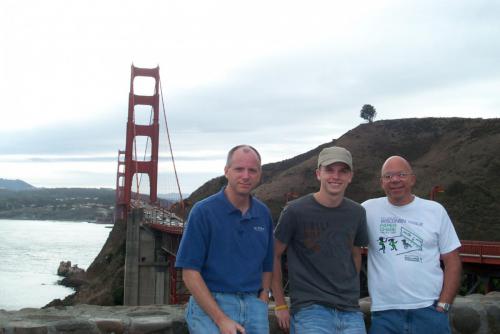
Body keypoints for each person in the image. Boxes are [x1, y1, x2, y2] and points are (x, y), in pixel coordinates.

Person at [175, 145, 274, 334]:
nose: (246, 175)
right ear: (226, 171)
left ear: (259, 174)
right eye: (239, 169)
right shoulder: (203, 212)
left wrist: (263, 297)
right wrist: (221, 319)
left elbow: (267, 265)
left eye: (252, 170)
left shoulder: (263, 214)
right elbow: (189, 272)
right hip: (212, 303)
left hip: (253, 303)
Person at [272, 146, 369, 334]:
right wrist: (280, 305)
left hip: (350, 310)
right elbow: (273, 255)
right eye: (329, 170)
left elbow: (355, 255)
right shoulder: (295, 211)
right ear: (318, 174)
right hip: (310, 310)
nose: (336, 176)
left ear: (350, 176)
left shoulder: (357, 213)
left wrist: (348, 292)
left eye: (343, 171)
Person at [362, 156, 462, 334]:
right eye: (388, 176)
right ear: (381, 183)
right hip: (385, 314)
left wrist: (444, 305)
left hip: (429, 312)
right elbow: (340, 233)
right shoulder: (368, 210)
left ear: (412, 179)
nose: (395, 180)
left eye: (401, 174)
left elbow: (452, 261)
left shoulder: (435, 211)